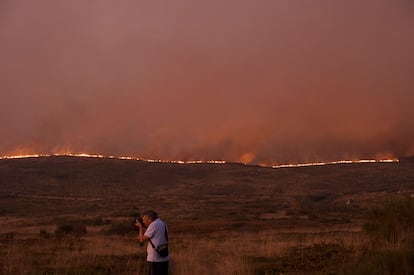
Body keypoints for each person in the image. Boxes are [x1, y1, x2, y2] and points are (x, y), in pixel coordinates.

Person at [135, 209, 169, 275]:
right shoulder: (163, 223)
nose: (143, 221)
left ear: (150, 218)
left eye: (144, 219)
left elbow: (142, 239)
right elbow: (151, 234)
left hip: (155, 259)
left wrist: (140, 228)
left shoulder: (154, 225)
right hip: (164, 258)